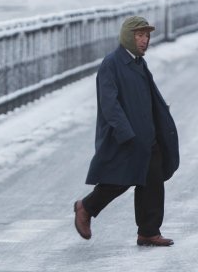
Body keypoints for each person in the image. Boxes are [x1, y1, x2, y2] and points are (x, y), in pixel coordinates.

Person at [73, 16, 179, 247]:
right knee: (118, 180)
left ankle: (149, 231)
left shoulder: (139, 63)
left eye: (147, 36)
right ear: (127, 37)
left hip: (147, 137)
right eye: (139, 35)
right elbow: (109, 105)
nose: (144, 41)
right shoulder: (111, 64)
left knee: (152, 181)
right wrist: (125, 134)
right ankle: (86, 207)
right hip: (126, 138)